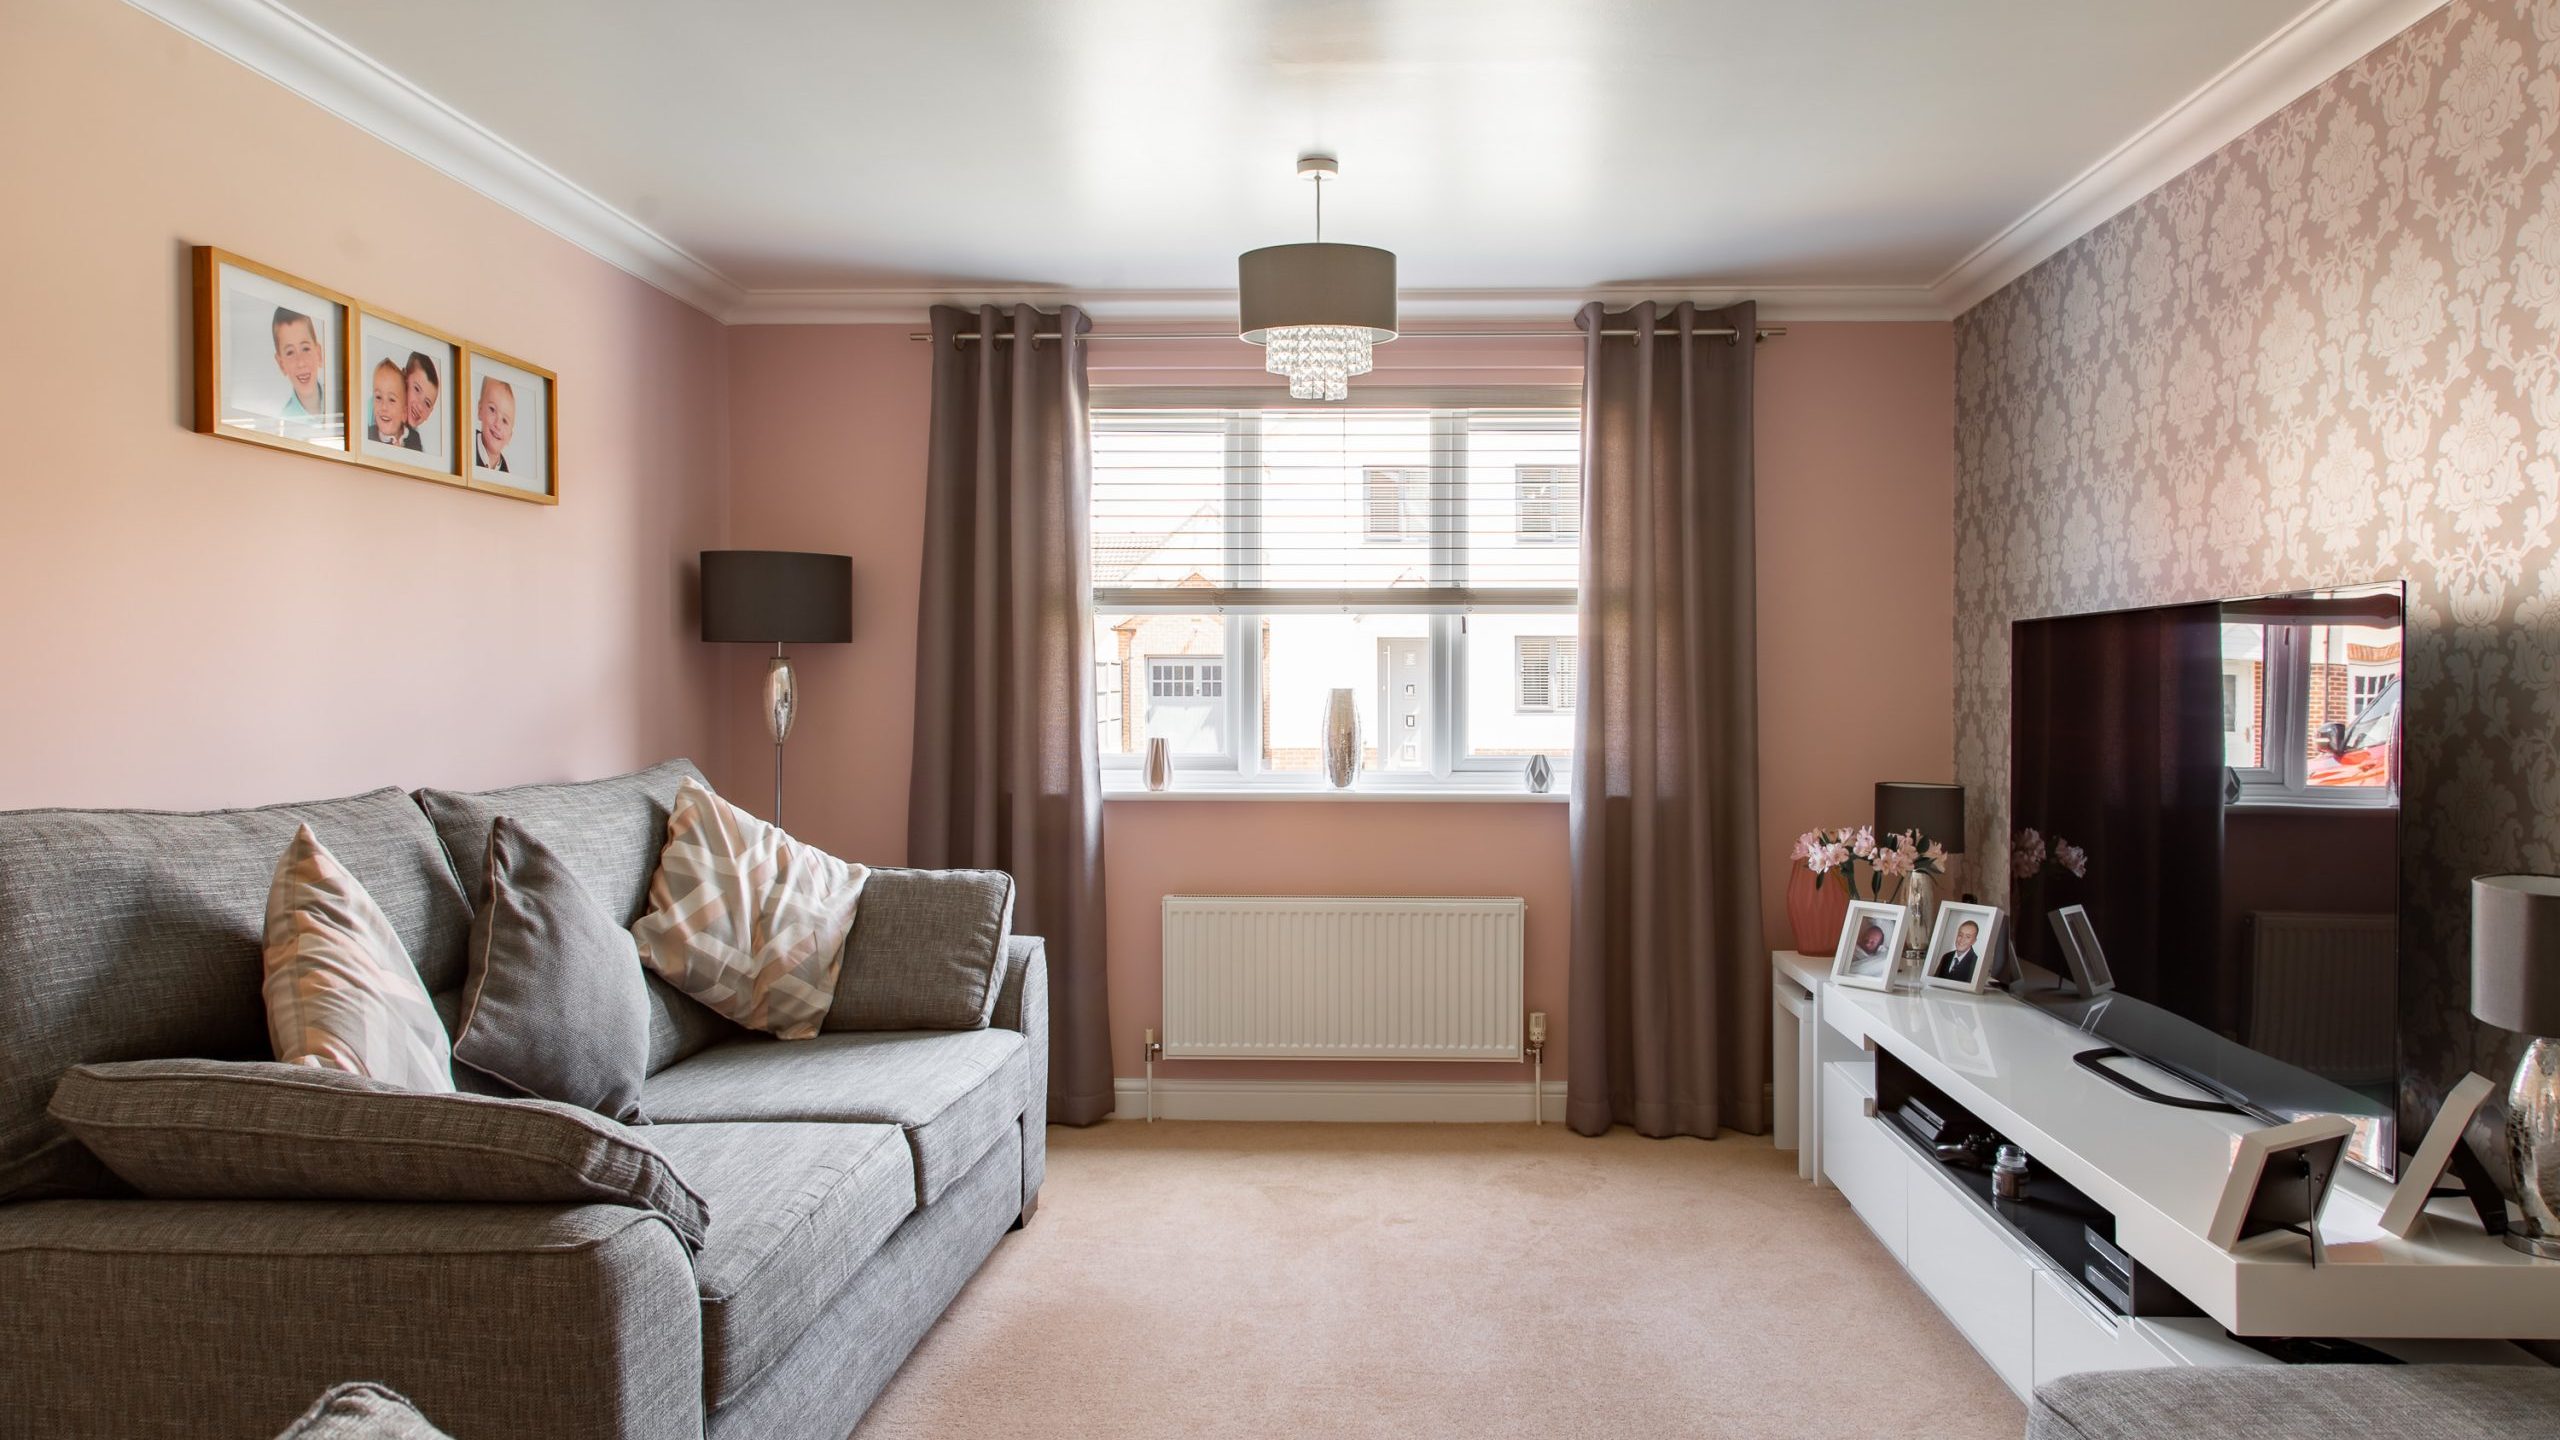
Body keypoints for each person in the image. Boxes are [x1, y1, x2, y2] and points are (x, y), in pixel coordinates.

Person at [271, 307, 328, 424]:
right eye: (290, 352)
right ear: (282, 364)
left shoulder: (339, 402)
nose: (300, 362)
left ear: (318, 354)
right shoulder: (284, 422)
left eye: (305, 349)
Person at [366, 359, 419, 451]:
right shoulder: (368, 435)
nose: (384, 407)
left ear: (404, 413)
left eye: (391, 400)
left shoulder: (414, 438)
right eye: (378, 397)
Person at [404, 352, 441, 457]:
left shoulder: (416, 442)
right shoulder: (377, 411)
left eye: (427, 403)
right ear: (403, 377)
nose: (420, 407)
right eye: (416, 389)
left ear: (430, 412)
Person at [474, 375, 514, 473]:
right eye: (492, 409)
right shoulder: (465, 447)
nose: (497, 424)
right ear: (480, 410)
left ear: (510, 437)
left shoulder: (507, 476)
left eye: (504, 421)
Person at [1933, 919, 1982, 985]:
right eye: (1960, 935)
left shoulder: (1976, 963)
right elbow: (1935, 981)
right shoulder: (1946, 957)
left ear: (1974, 941)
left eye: (1968, 937)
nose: (1962, 940)